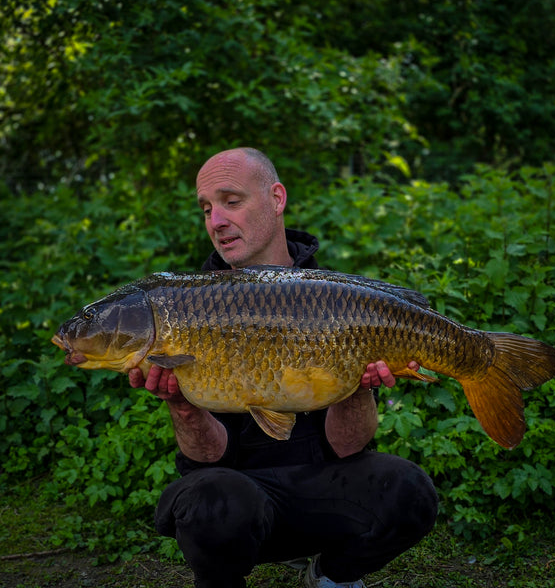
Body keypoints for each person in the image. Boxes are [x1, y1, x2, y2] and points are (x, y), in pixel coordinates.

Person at [129, 148, 438, 588]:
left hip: (324, 489)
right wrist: (182, 406)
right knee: (213, 501)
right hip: (238, 501)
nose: (215, 221)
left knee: (410, 490)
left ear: (276, 198)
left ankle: (331, 574)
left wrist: (358, 386)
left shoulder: (337, 299)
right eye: (206, 208)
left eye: (231, 201)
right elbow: (207, 458)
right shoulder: (186, 308)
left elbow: (348, 449)